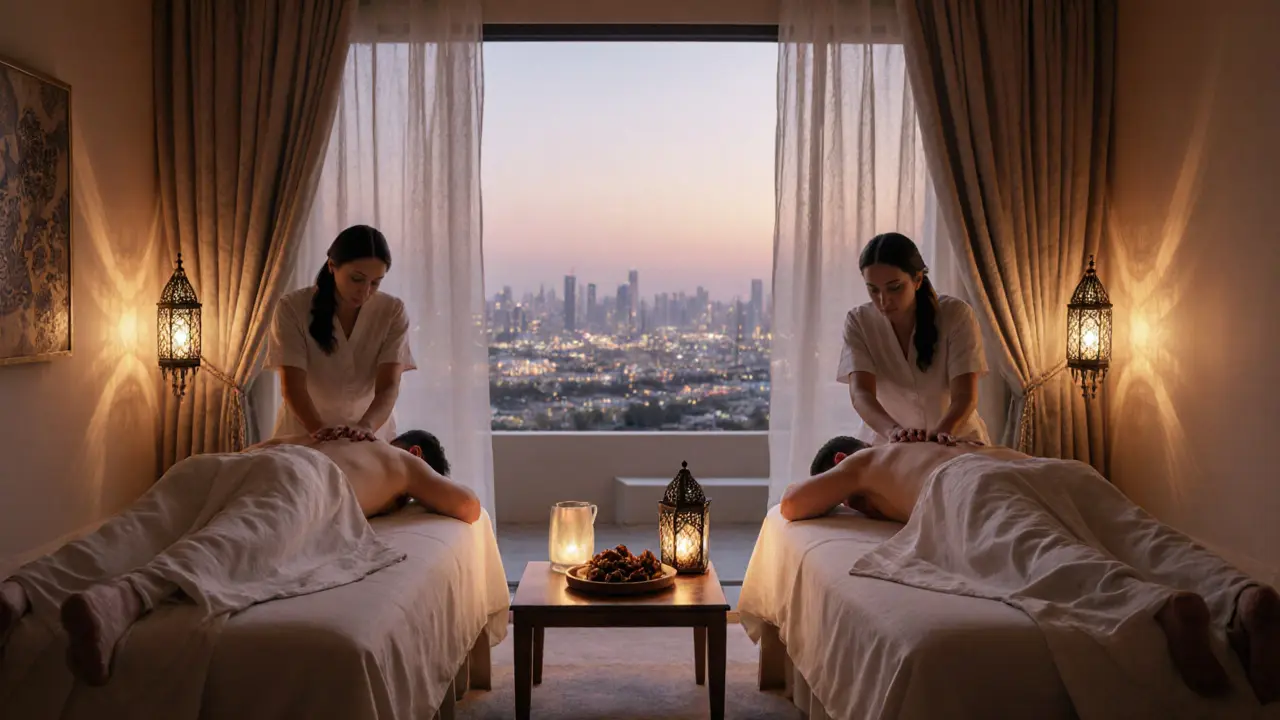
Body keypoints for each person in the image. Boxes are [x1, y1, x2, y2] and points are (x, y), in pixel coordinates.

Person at [780, 436, 1280, 705]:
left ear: (839, 459)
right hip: (1046, 467)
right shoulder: (951, 441)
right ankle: (1239, 595)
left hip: (967, 483)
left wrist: (848, 489)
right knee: (1144, 539)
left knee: (1043, 555)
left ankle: (1159, 607)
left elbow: (791, 505)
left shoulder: (863, 459)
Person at [0, 430, 478, 686]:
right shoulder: (402, 458)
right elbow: (467, 507)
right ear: (415, 450)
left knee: (135, 528)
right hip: (305, 476)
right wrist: (411, 492)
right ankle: (124, 599)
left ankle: (19, 591)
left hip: (227, 462)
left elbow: (261, 451)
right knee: (236, 539)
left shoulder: (328, 434)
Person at [266, 224, 416, 443]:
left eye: (375, 283)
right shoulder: (293, 308)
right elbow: (293, 386)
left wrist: (366, 426)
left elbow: (388, 386)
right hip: (303, 431)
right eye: (357, 279)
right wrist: (319, 430)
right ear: (332, 266)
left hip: (369, 432)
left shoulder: (391, 311)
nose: (365, 291)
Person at [838, 232, 990, 446]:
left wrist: (941, 433)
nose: (883, 300)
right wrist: (894, 431)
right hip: (889, 440)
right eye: (873, 290)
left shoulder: (956, 315)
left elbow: (965, 394)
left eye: (894, 287)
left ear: (917, 280)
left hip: (953, 437)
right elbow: (861, 394)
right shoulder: (859, 322)